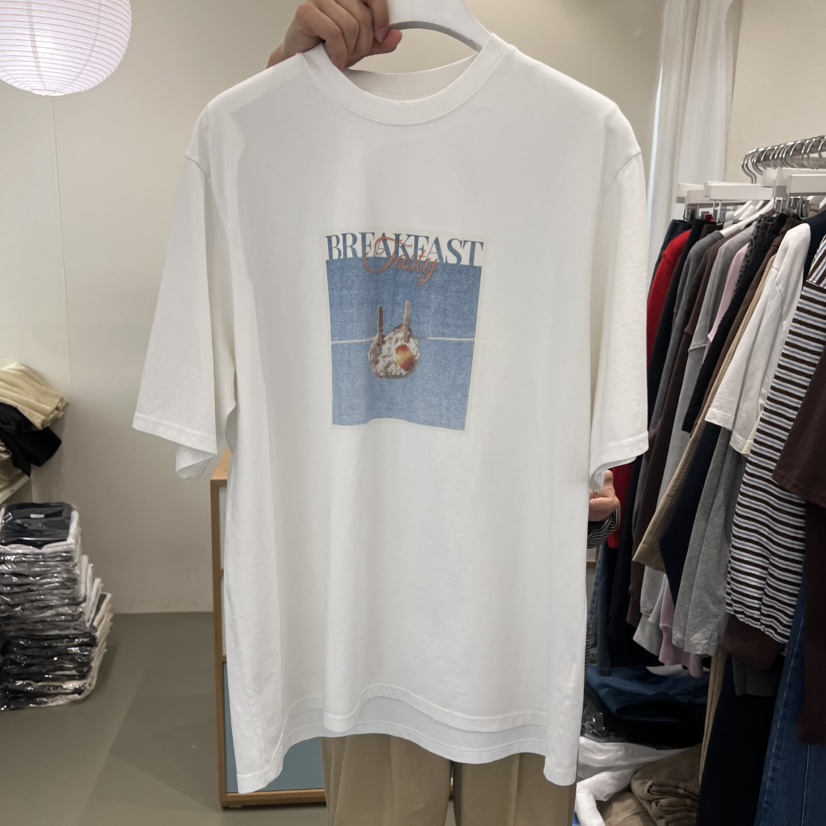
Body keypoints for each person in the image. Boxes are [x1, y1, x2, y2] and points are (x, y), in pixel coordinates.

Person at [264, 4, 621, 823]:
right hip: (370, 633)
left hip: (512, 631)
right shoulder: (260, 134)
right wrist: (289, 81)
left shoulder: (585, 139)